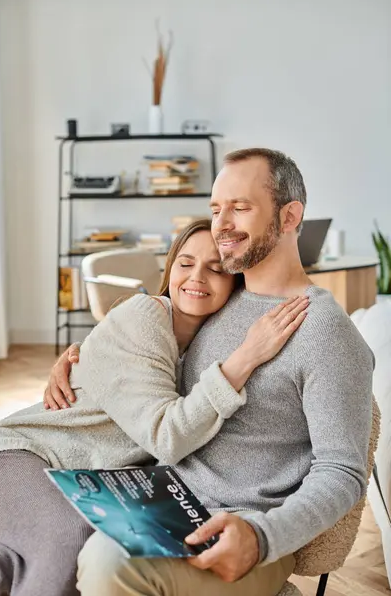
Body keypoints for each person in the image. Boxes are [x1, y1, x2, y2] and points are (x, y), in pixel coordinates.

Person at [49, 147, 374, 596]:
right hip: (160, 500)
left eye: (240, 208)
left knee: (109, 564)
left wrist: (263, 539)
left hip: (239, 531)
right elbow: (155, 358)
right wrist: (81, 358)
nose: (221, 224)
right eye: (216, 209)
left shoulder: (324, 332)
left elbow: (342, 471)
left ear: (289, 216)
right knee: (51, 545)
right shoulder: (220, 299)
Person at [0, 220, 306, 596]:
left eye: (216, 268)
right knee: (70, 540)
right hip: (25, 453)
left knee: (42, 557)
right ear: (169, 268)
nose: (197, 277)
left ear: (236, 282)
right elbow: (166, 437)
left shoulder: (208, 343)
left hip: (89, 480)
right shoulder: (148, 314)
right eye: (185, 263)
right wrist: (245, 359)